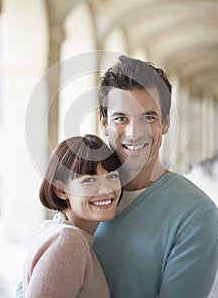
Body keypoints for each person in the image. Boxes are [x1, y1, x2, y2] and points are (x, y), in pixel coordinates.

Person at [93, 55, 218, 298]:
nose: (134, 133)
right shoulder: (82, 190)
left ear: (165, 123)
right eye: (121, 118)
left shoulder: (196, 216)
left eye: (148, 117)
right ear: (104, 123)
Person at [21, 134, 121, 298]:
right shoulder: (68, 242)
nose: (106, 190)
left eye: (112, 176)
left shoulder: (63, 234)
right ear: (61, 190)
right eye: (89, 181)